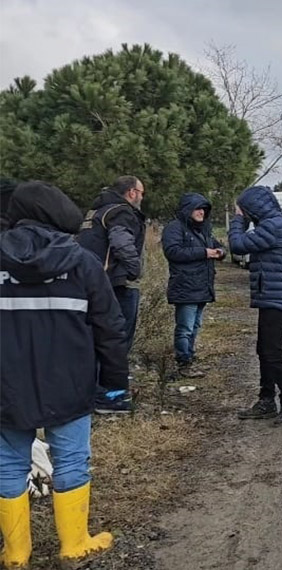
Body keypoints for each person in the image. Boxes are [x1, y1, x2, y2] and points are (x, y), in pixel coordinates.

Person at [0, 182, 129, 568]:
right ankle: (74, 545)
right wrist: (116, 383)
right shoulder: (83, 263)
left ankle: (16, 554)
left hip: (5, 385)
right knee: (72, 460)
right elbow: (110, 327)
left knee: (6, 464)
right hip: (69, 382)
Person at [227, 186, 282, 425]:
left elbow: (237, 245)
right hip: (273, 294)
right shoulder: (277, 224)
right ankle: (266, 400)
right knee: (264, 350)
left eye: (246, 210)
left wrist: (238, 219)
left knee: (271, 351)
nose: (245, 214)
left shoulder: (272, 227)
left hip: (276, 296)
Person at [77, 175, 146, 413]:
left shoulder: (94, 212)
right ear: (131, 192)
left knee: (95, 340)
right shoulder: (121, 212)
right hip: (116, 284)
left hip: (89, 283)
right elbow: (121, 243)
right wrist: (135, 269)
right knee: (116, 341)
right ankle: (109, 394)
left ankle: (93, 389)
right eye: (141, 192)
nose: (142, 197)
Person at [162, 193, 226, 379]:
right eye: (197, 208)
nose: (201, 212)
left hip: (202, 287)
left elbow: (219, 247)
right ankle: (184, 362)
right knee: (185, 328)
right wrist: (204, 252)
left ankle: (189, 356)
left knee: (195, 326)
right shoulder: (174, 228)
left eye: (203, 209)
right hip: (185, 286)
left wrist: (219, 252)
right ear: (187, 209)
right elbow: (173, 252)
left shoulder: (203, 229)